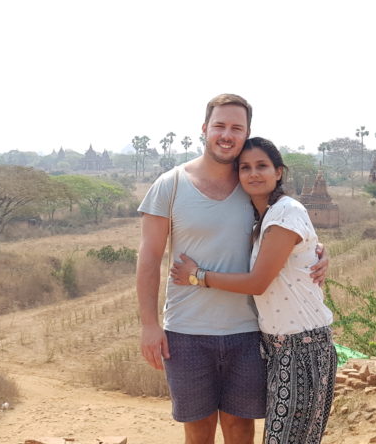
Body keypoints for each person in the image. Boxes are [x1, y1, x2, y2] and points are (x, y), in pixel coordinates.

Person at [136, 94, 327, 444]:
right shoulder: (171, 184)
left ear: (247, 132)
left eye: (236, 127)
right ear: (205, 129)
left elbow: (287, 233)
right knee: (198, 432)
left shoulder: (252, 187)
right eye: (220, 126)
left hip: (247, 332)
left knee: (241, 430)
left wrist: (318, 252)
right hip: (186, 331)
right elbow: (149, 259)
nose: (227, 134)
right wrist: (150, 325)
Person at [169, 136, 337, 444]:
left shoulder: (286, 212)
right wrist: (320, 249)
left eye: (262, 166)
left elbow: (258, 282)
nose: (253, 173)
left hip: (303, 347)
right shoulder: (263, 218)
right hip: (276, 349)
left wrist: (197, 275)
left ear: (278, 172)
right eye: (245, 167)